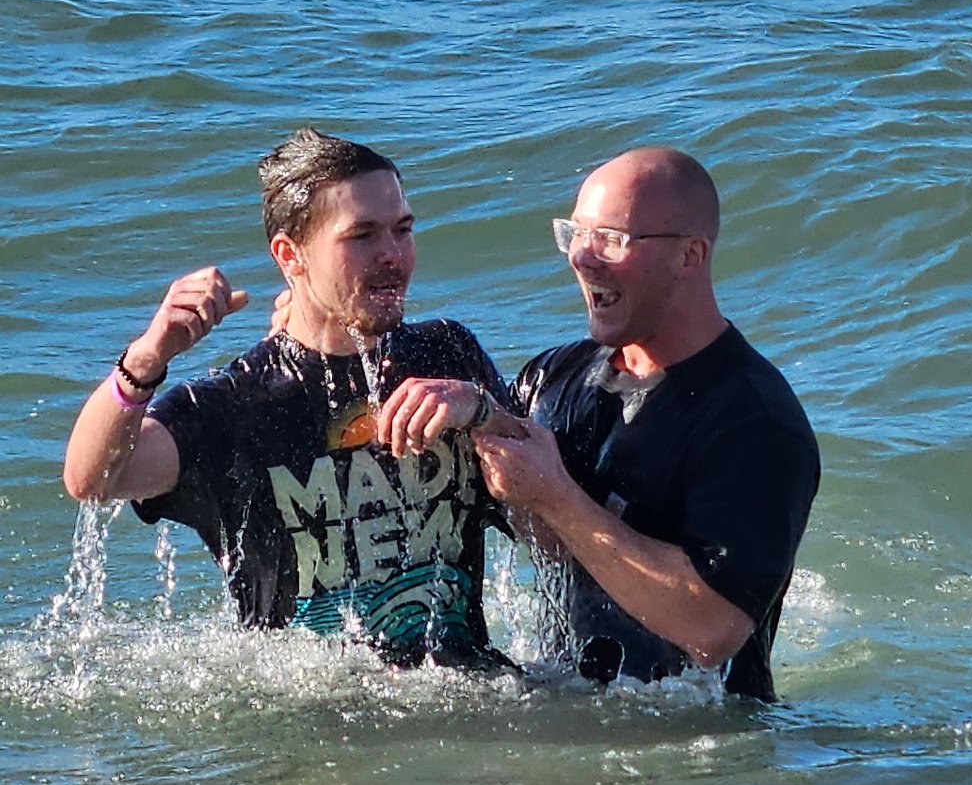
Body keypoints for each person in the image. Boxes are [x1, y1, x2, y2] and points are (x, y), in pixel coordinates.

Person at [62, 129, 521, 674]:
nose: (393, 255)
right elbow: (94, 480)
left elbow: (549, 494)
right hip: (315, 707)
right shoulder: (238, 406)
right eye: (363, 236)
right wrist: (144, 360)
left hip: (469, 683)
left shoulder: (447, 355)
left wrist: (483, 411)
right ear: (290, 255)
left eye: (403, 229)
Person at [473, 146, 820, 700]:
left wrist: (557, 495)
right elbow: (542, 536)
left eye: (611, 238)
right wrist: (474, 417)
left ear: (690, 255)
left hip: (698, 735)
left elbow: (712, 629)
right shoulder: (554, 377)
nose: (582, 257)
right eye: (576, 234)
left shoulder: (756, 421)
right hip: (570, 710)